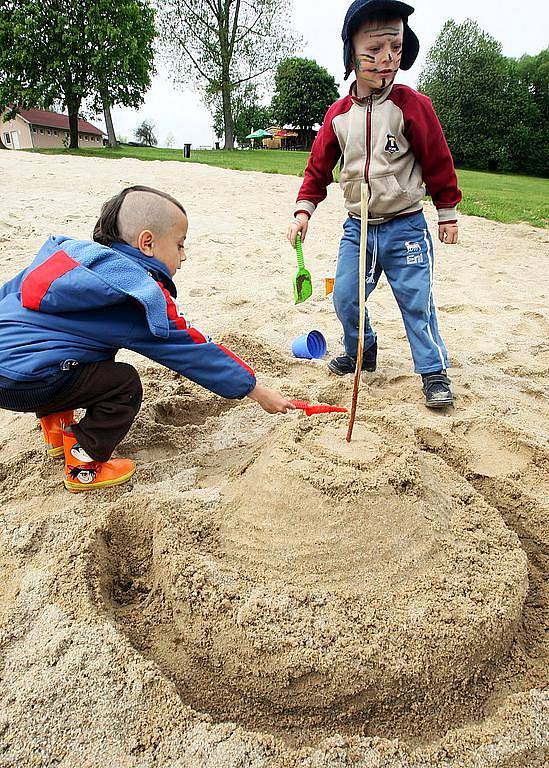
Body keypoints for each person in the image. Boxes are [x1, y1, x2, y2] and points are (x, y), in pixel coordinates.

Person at [0, 185, 294, 492]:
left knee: (76, 349)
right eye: (180, 245)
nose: (183, 256)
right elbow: (191, 350)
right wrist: (256, 390)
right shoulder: (137, 291)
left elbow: (9, 294)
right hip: (29, 382)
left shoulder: (69, 256)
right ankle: (83, 459)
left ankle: (55, 428)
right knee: (123, 384)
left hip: (13, 370)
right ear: (147, 243)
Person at [287, 0, 461, 408]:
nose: (387, 60)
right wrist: (303, 211)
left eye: (396, 49)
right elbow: (317, 170)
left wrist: (447, 211)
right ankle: (361, 351)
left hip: (406, 226)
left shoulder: (412, 106)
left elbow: (438, 159)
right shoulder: (338, 116)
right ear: (351, 52)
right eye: (375, 50)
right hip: (357, 227)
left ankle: (433, 371)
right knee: (345, 297)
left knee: (416, 302)